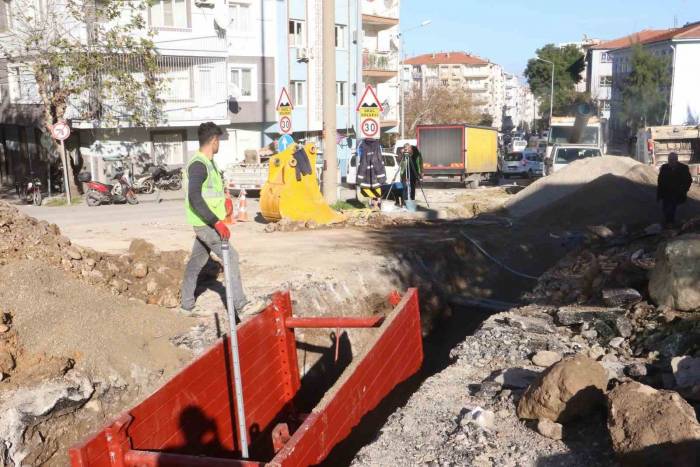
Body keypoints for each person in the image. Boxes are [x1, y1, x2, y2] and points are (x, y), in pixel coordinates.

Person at [180, 122, 250, 318]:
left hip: (207, 221)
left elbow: (212, 192)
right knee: (232, 257)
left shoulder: (209, 163)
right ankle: (241, 304)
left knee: (196, 263)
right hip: (205, 224)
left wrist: (225, 203)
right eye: (219, 140)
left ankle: (186, 305)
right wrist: (216, 222)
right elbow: (195, 197)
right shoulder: (199, 165)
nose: (219, 144)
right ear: (214, 140)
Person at [657, 152, 692, 227]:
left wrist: (684, 190)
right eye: (669, 160)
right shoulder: (664, 168)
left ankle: (675, 226)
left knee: (676, 213)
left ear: (676, 160)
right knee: (666, 212)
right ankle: (668, 226)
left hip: (678, 195)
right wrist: (659, 196)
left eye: (672, 160)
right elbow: (660, 182)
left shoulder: (683, 168)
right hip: (666, 195)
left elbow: (688, 181)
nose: (671, 161)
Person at [356, 138, 386, 210]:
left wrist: (359, 179)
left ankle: (374, 204)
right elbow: (379, 160)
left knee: (371, 190)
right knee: (376, 190)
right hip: (376, 174)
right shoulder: (377, 145)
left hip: (367, 175)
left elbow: (363, 162)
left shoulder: (362, 145)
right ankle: (375, 204)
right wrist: (382, 176)